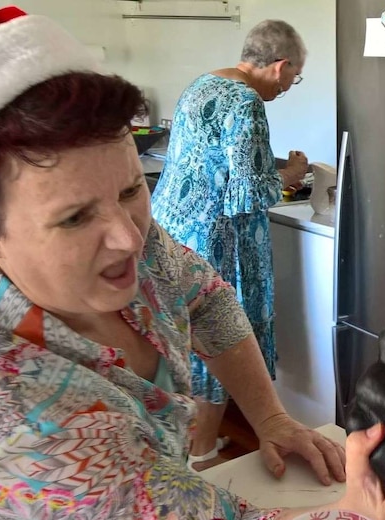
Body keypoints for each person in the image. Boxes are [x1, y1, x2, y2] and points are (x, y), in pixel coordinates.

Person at [0, 8, 385, 520]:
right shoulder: (3, 405)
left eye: (131, 189)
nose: (129, 239)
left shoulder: (136, 237)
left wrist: (270, 418)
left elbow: (206, 299)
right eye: (75, 218)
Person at [151, 19, 310, 470]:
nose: (287, 87)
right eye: (293, 79)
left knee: (186, 338)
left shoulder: (205, 83)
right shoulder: (246, 102)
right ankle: (202, 455)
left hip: (173, 231)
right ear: (280, 67)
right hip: (216, 240)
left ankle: (186, 444)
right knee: (220, 336)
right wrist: (292, 175)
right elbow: (247, 194)